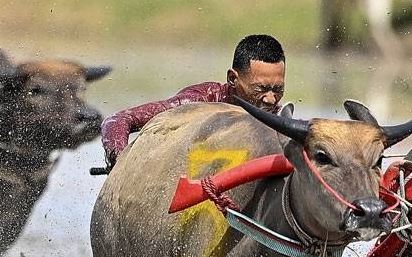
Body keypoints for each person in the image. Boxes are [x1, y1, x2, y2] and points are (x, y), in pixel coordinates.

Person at [100, 34, 286, 169]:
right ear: (232, 79)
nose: (271, 99)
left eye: (278, 90)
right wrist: (119, 163)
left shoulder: (280, 118)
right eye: (260, 89)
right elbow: (118, 120)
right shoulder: (198, 103)